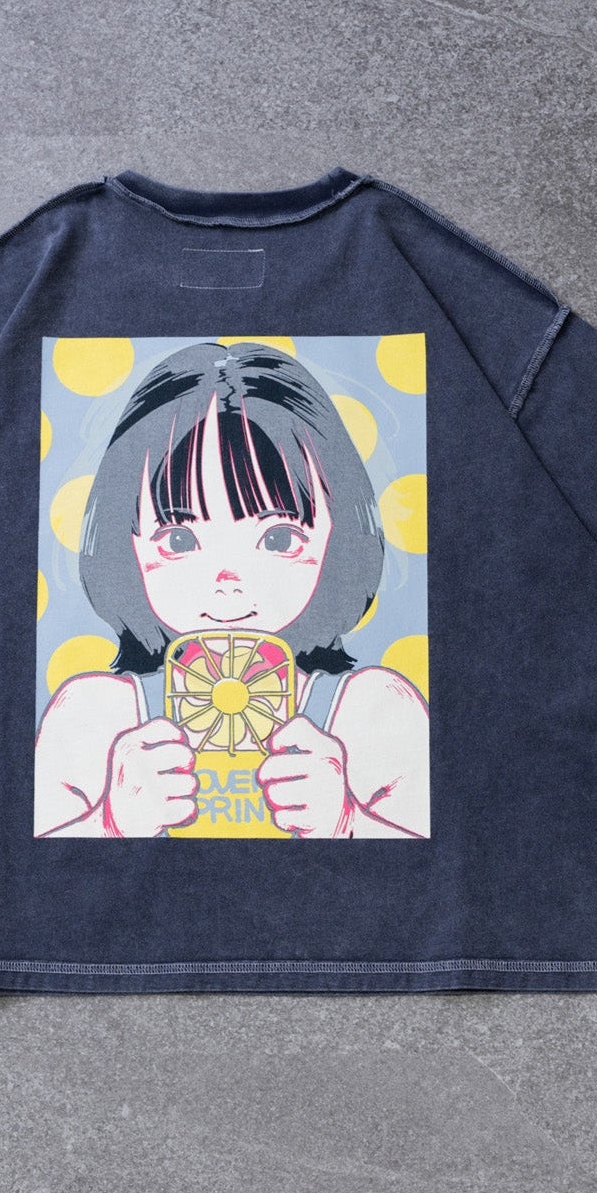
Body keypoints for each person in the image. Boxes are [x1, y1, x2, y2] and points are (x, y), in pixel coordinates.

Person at [34, 342, 429, 839]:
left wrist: (347, 821)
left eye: (279, 538)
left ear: (341, 534)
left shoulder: (373, 710)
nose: (228, 582)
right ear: (123, 540)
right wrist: (110, 821)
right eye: (179, 540)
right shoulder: (93, 714)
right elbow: (24, 868)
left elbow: (444, 864)